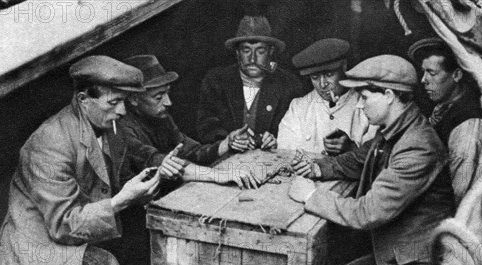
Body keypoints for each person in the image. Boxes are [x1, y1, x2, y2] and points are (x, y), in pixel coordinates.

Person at [289, 55, 455, 265]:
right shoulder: (395, 131)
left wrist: (310, 195)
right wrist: (317, 168)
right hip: (395, 252)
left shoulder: (417, 146)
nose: (359, 105)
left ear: (388, 96)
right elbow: (358, 159)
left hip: (422, 263)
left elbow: (367, 212)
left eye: (365, 97)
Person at [0, 56, 161, 265]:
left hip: (83, 233)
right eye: (113, 102)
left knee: (144, 241)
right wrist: (122, 200)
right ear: (83, 99)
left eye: (124, 101)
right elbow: (63, 225)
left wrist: (138, 191)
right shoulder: (50, 143)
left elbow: (115, 183)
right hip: (39, 244)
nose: (122, 111)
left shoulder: (110, 128)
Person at [120, 54, 261, 188]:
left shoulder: (161, 118)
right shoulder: (122, 128)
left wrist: (227, 143)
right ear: (134, 99)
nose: (168, 102)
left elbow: (192, 151)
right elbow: (164, 164)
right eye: (158, 97)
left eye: (167, 93)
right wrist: (219, 175)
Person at [408, 37, 482, 201]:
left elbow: (463, 194)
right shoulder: (443, 109)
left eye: (432, 73)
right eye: (423, 72)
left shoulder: (468, 125)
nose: (423, 80)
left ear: (456, 75)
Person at [196, 15, 304, 148]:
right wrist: (228, 141)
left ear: (270, 51)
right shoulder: (216, 80)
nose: (252, 58)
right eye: (246, 50)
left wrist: (277, 140)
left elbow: (296, 132)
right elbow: (207, 125)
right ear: (237, 52)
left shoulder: (289, 84)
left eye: (260, 51)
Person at [278, 38, 377, 155]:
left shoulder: (366, 105)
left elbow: (375, 160)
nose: (322, 84)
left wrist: (351, 149)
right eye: (315, 77)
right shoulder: (299, 108)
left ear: (344, 66)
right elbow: (285, 154)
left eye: (329, 74)